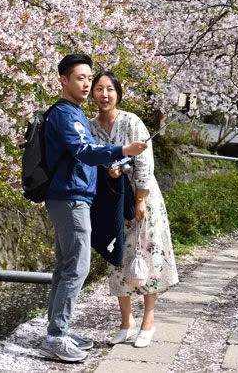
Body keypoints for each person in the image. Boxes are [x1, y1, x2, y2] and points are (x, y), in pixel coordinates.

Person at [38, 54, 148, 363]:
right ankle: (56, 337)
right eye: (80, 78)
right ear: (63, 80)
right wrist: (123, 150)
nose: (87, 84)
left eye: (89, 78)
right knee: (77, 266)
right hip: (70, 198)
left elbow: (84, 154)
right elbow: (85, 151)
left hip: (70, 197)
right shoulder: (65, 114)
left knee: (65, 266)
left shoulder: (73, 112)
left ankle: (58, 330)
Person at [89, 72, 179, 348]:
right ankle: (125, 323)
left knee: (146, 254)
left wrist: (140, 199)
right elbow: (91, 161)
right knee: (117, 257)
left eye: (109, 89)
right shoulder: (90, 126)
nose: (104, 95)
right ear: (92, 94)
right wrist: (108, 173)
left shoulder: (131, 121)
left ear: (118, 93)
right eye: (99, 89)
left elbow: (144, 162)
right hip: (113, 199)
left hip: (141, 196)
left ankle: (148, 322)